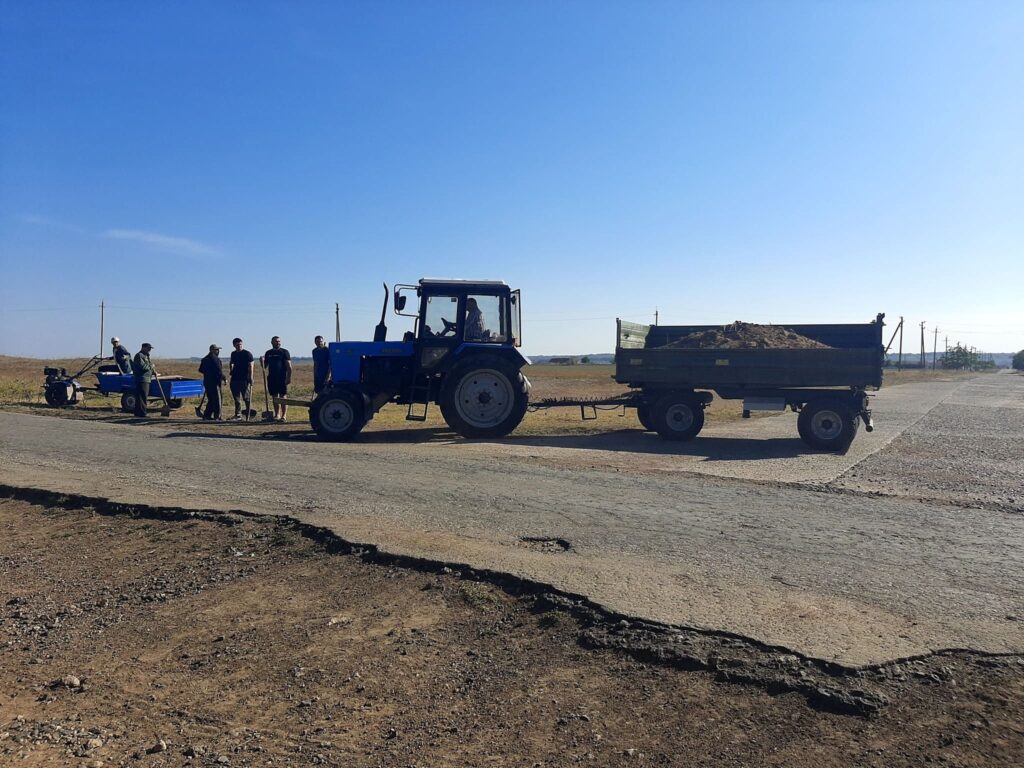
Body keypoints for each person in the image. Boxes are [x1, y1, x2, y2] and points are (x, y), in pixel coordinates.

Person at [262, 336, 292, 421]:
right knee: (275, 396)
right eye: (276, 341)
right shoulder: (268, 353)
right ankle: (277, 414)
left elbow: (289, 366)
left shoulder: (284, 352)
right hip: (272, 377)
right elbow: (264, 366)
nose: (278, 342)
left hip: (282, 378)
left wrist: (288, 378)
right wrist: (262, 361)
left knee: (283, 396)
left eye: (279, 341)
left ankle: (284, 415)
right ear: (272, 342)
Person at [228, 337, 254, 420]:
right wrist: (231, 369)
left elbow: (251, 366)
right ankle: (238, 414)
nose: (239, 346)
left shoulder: (247, 353)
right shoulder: (233, 354)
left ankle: (248, 413)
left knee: (246, 398)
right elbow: (231, 362)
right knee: (236, 398)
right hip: (235, 378)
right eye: (237, 345)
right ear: (234, 345)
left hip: (244, 379)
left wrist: (251, 377)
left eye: (240, 344)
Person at [198, 343, 226, 420]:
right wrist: (224, 378)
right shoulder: (215, 359)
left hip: (207, 382)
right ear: (212, 350)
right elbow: (219, 371)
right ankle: (217, 417)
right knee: (217, 400)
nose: (218, 351)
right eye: (216, 350)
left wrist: (208, 373)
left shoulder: (204, 359)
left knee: (211, 399)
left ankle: (206, 415)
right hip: (215, 382)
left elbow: (200, 370)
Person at [130, 343, 155, 417]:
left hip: (146, 379)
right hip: (141, 379)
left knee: (142, 396)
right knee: (142, 396)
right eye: (148, 348)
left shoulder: (147, 356)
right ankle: (142, 413)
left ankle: (138, 413)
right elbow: (143, 367)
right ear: (143, 348)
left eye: (150, 348)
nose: (149, 350)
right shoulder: (139, 355)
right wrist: (151, 366)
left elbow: (148, 366)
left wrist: (153, 371)